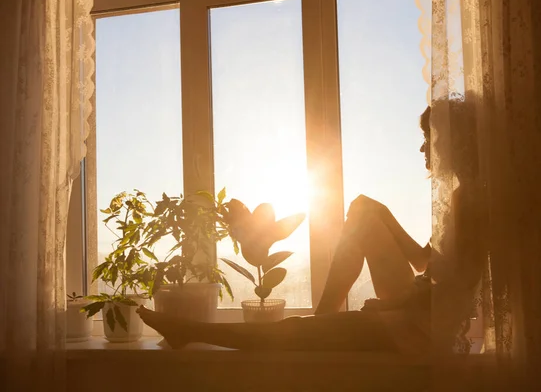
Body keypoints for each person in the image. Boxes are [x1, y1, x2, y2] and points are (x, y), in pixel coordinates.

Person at [137, 104, 483, 355]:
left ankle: (187, 330)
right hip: (416, 308)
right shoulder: (459, 195)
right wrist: (384, 214)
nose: (424, 147)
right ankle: (322, 318)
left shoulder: (471, 198)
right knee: (363, 206)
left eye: (430, 137)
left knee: (293, 333)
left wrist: (397, 305)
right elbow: (426, 262)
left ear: (454, 139)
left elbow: (459, 283)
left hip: (422, 324)